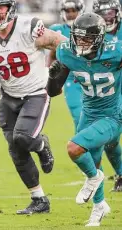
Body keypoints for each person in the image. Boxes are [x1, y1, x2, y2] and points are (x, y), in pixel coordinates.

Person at [0, 0, 66, 214]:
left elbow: (62, 44)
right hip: (7, 96)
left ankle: (42, 145)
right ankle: (39, 199)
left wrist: (58, 75)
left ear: (10, 8)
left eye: (0, 7)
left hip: (35, 92)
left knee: (23, 137)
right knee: (15, 149)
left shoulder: (29, 27)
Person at [47, 12, 122, 226]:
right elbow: (53, 92)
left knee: (74, 148)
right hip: (87, 113)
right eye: (78, 37)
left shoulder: (115, 51)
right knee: (94, 161)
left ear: (99, 38)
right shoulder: (67, 52)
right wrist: (53, 77)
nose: (81, 42)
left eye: (87, 38)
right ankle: (99, 207)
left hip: (112, 115)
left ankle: (94, 178)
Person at [92, 0, 122, 192]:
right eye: (103, 14)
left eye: (110, 13)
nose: (107, 17)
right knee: (109, 139)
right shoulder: (92, 32)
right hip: (108, 90)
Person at [49, 0, 85, 132]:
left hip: (90, 75)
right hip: (69, 78)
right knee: (78, 116)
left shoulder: (89, 27)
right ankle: (81, 147)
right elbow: (52, 55)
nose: (70, 14)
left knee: (94, 117)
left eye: (73, 11)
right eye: (67, 11)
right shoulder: (56, 30)